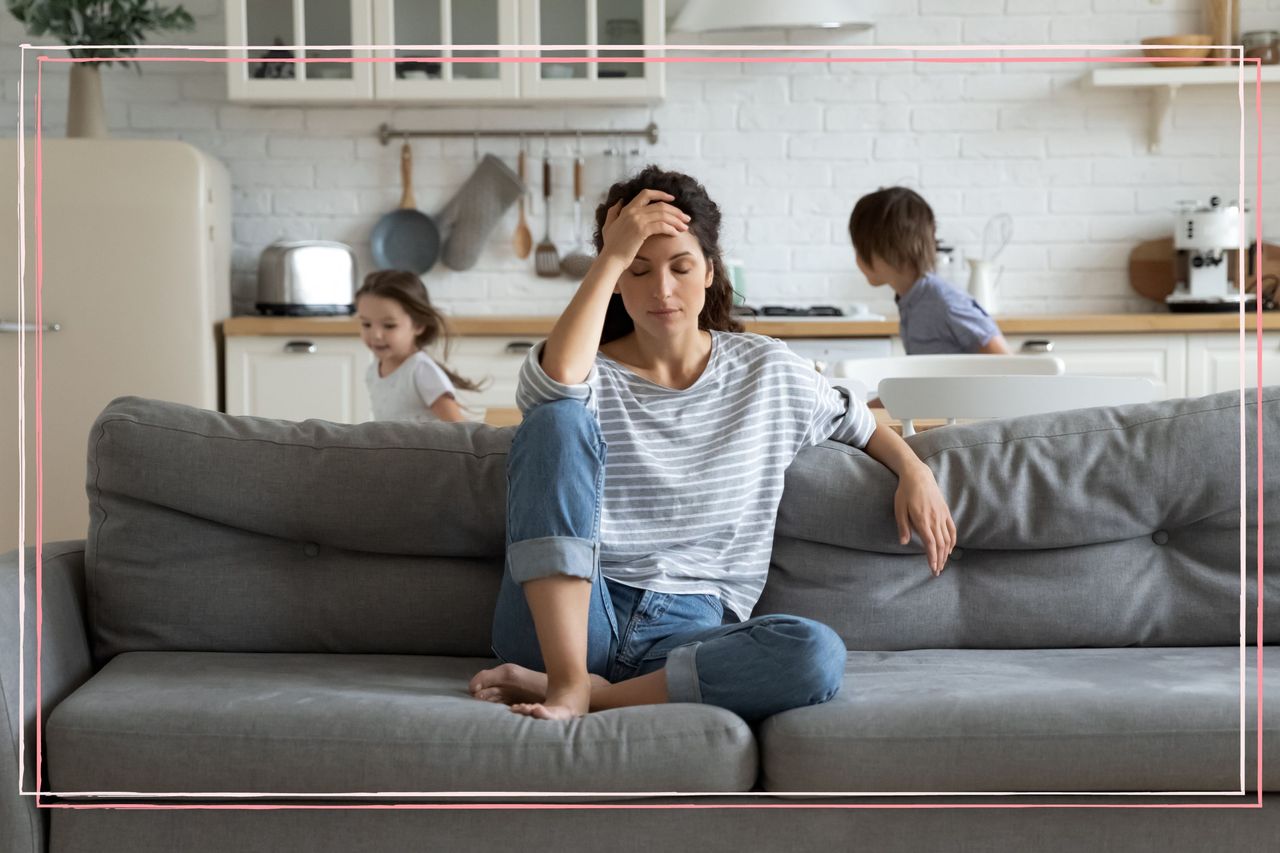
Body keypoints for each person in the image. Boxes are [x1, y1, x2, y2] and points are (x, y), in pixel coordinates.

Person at [468, 167, 957, 724]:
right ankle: (568, 675)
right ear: (616, 279)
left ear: (709, 272)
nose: (662, 290)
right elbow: (553, 387)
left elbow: (861, 425)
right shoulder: (586, 372)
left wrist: (915, 471)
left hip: (689, 629)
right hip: (571, 611)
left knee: (815, 653)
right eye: (638, 269)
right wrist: (610, 253)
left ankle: (585, 693)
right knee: (555, 420)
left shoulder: (766, 371)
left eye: (680, 267)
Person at [849, 187, 1010, 355]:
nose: (857, 259)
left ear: (888, 251)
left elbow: (1006, 364)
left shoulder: (944, 301)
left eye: (859, 250)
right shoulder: (911, 299)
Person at [354, 270, 484, 423]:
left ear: (418, 325)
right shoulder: (373, 371)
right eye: (366, 324)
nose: (375, 334)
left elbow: (460, 429)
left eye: (389, 326)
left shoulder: (421, 371)